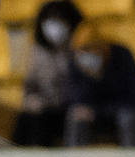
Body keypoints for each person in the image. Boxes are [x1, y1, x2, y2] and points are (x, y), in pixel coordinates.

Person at [64, 24, 135, 148]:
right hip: (104, 114)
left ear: (102, 47)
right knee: (76, 115)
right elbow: (75, 98)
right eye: (83, 51)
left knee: (127, 118)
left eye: (91, 49)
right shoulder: (76, 63)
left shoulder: (122, 56)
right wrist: (92, 78)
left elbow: (132, 99)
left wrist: (97, 111)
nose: (87, 55)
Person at [12, 1, 83, 147]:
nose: (54, 27)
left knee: (45, 120)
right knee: (26, 118)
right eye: (50, 21)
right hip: (46, 109)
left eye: (60, 21)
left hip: (71, 109)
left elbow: (84, 87)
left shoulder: (81, 50)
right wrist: (32, 101)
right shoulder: (38, 53)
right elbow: (30, 87)